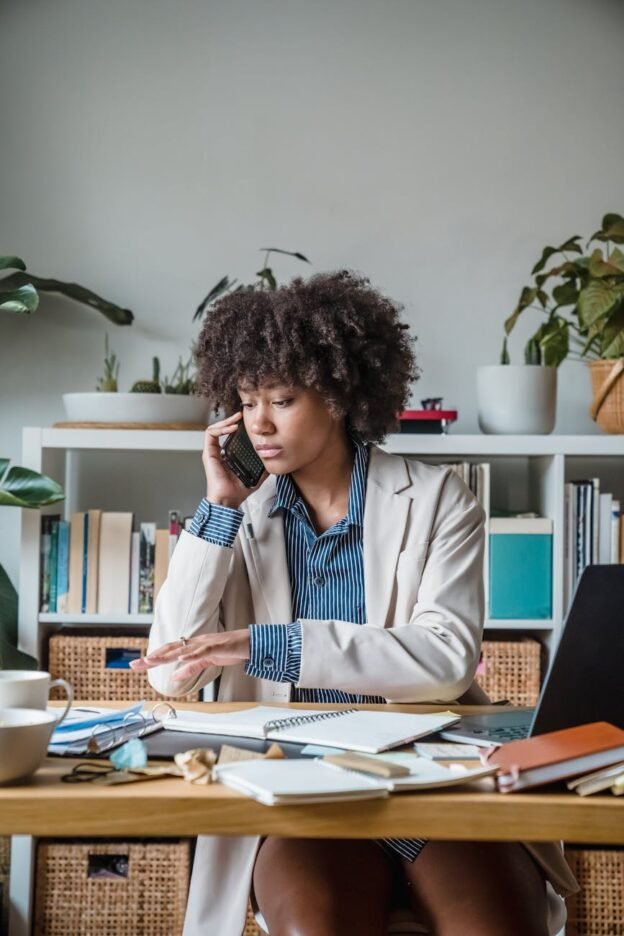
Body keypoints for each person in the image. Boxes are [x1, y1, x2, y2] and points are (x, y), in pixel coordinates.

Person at [132, 271, 577, 936]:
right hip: (301, 792)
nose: (258, 422)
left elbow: (446, 658)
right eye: (248, 400)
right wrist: (219, 505)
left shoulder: (439, 499)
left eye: (281, 399)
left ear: (338, 395)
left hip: (431, 777)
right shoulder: (233, 519)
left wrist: (265, 645)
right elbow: (170, 674)